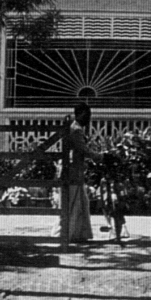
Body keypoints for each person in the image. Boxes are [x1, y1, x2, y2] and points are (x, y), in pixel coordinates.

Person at [65, 102, 94, 243]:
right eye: (87, 115)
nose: (89, 119)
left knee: (80, 201)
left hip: (76, 169)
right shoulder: (76, 130)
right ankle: (71, 233)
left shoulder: (75, 128)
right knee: (74, 202)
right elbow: (83, 150)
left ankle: (77, 233)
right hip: (73, 170)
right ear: (81, 114)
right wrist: (101, 156)